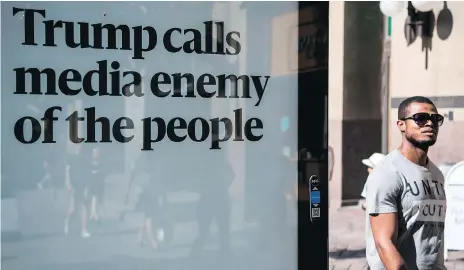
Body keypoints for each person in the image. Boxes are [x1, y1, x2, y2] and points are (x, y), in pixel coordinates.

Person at [364, 96, 446, 270]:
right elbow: (384, 243)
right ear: (401, 125)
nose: (430, 123)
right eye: (421, 118)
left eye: (435, 119)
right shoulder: (388, 173)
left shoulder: (437, 174)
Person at [64, 147, 92, 238]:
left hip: (84, 184)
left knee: (85, 206)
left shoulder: (87, 157)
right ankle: (67, 221)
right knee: (73, 209)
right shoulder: (71, 157)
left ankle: (84, 230)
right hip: (74, 184)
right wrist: (68, 183)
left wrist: (88, 185)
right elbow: (67, 170)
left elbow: (89, 171)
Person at [88, 147, 105, 222]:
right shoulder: (90, 163)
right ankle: (94, 213)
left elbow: (103, 173)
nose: (96, 154)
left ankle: (94, 212)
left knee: (97, 198)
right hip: (92, 183)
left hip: (99, 183)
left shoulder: (101, 163)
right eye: (94, 153)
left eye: (97, 153)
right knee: (94, 197)